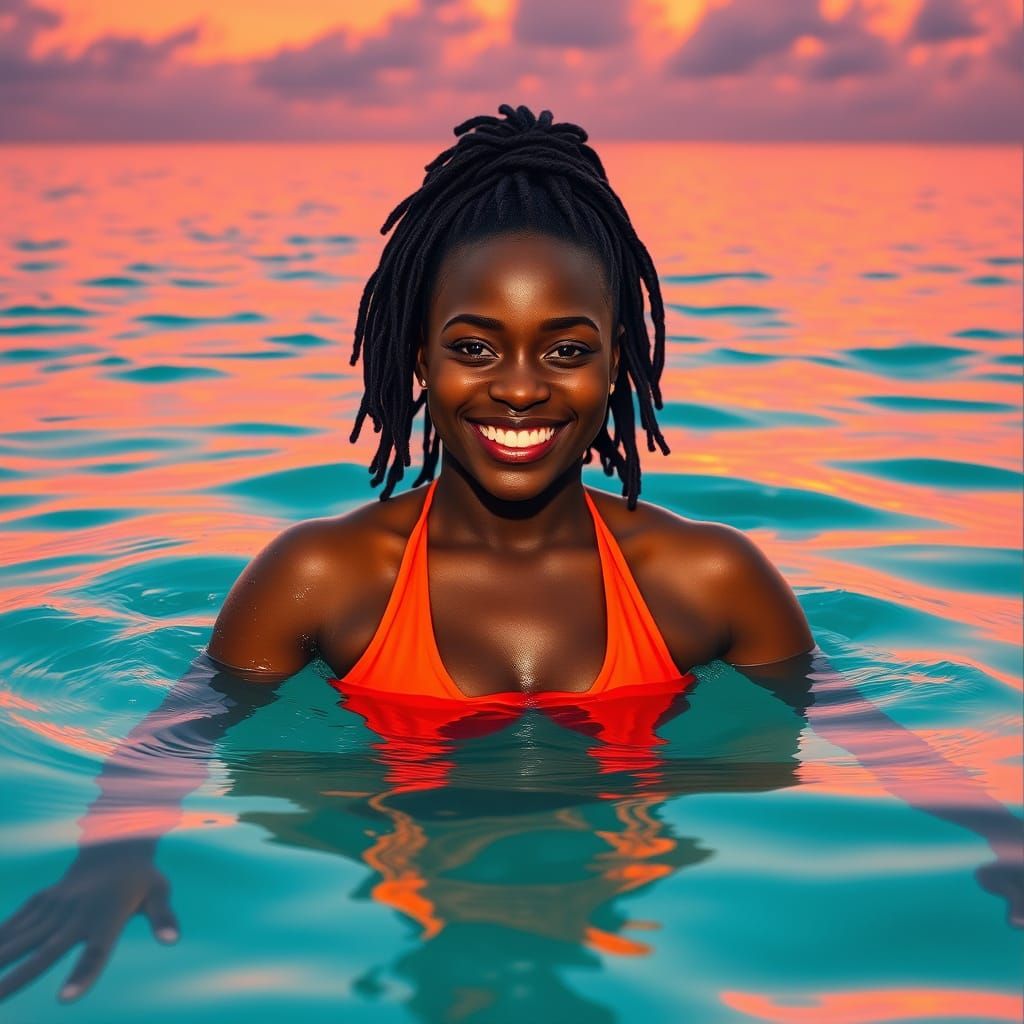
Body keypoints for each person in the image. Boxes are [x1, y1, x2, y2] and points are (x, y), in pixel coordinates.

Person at [0, 104, 1019, 1006]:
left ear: (619, 360)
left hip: (633, 913)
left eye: (566, 350)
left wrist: (995, 833)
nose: (520, 388)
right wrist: (113, 848)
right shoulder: (318, 580)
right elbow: (172, 736)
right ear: (414, 353)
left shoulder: (710, 583)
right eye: (474, 346)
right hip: (393, 871)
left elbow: (870, 732)